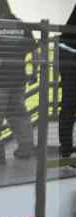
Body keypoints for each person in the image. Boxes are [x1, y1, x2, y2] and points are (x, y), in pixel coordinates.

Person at [0, 0, 37, 160]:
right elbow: (35, 53)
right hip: (18, 80)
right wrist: (34, 73)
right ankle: (26, 147)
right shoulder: (22, 25)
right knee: (19, 114)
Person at [58, 4, 76, 162]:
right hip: (69, 56)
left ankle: (66, 148)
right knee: (69, 103)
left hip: (67, 54)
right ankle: (66, 149)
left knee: (69, 104)